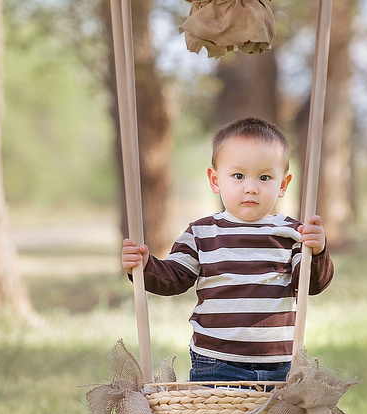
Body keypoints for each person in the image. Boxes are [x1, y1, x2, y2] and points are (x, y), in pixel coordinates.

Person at [121, 117, 334, 383]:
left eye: (265, 177)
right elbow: (174, 278)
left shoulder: (294, 234)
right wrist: (145, 266)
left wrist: (317, 251)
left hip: (279, 363)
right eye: (238, 176)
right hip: (216, 360)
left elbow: (310, 285)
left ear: (283, 184)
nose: (251, 187)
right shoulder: (202, 233)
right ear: (215, 180)